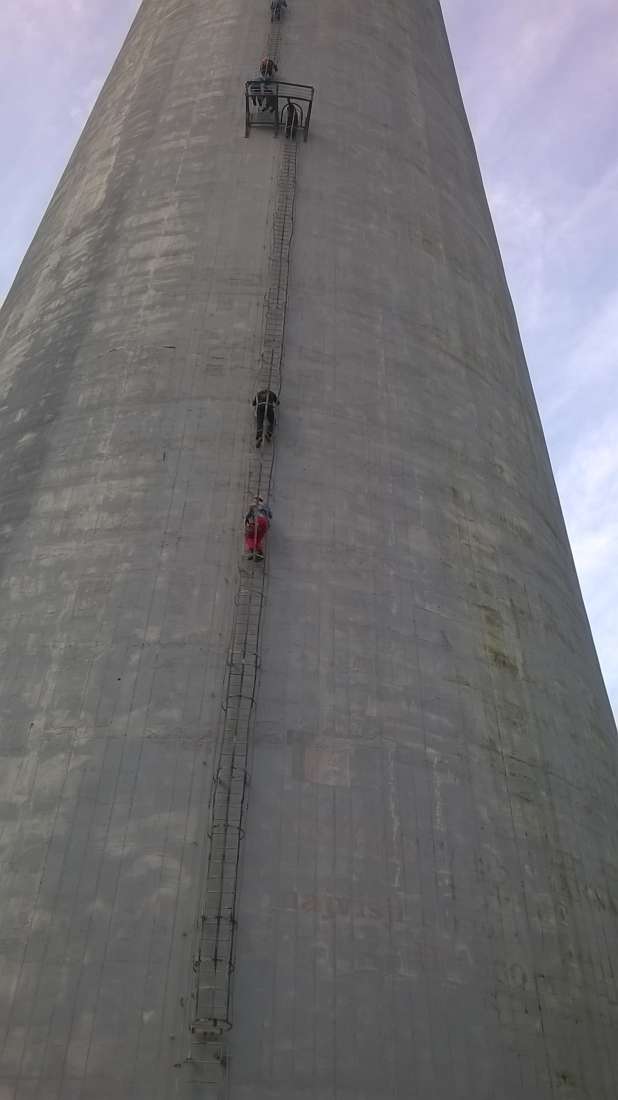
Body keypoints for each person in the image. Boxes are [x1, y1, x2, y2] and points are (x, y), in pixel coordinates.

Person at [244, 496, 272, 561]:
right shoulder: (266, 506)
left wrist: (247, 524)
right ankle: (259, 553)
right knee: (258, 538)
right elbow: (270, 515)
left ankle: (253, 551)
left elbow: (248, 516)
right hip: (265, 524)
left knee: (248, 536)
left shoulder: (253, 505)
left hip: (259, 520)